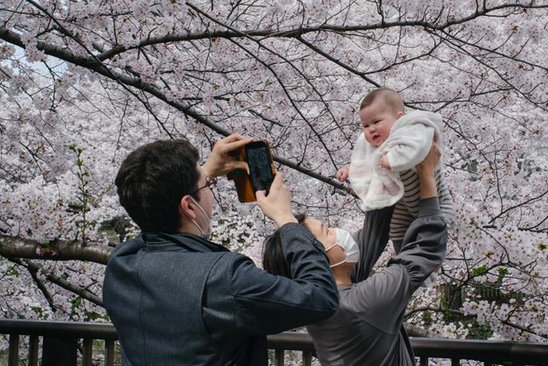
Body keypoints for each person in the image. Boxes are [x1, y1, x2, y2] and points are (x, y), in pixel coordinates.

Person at [102, 135, 339, 366]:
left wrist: (203, 173)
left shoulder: (121, 264)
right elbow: (321, 297)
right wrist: (286, 219)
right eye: (207, 185)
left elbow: (156, 203)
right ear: (188, 206)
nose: (211, 191)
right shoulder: (225, 277)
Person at [265, 144, 448, 365]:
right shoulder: (359, 304)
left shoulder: (320, 301)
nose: (338, 232)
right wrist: (427, 173)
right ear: (317, 259)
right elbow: (426, 248)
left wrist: (372, 171)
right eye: (327, 231)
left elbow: (375, 232)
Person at [337, 87, 454, 253]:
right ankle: (402, 254)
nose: (370, 129)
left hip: (436, 199)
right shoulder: (376, 145)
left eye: (377, 122)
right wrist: (350, 168)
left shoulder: (411, 130)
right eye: (366, 125)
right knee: (396, 228)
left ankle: (435, 256)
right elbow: (367, 162)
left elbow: (418, 147)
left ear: (399, 118)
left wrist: (393, 158)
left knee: (437, 226)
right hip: (405, 201)